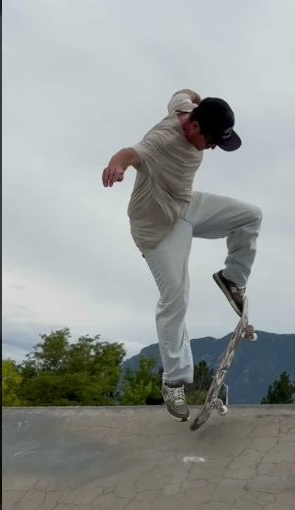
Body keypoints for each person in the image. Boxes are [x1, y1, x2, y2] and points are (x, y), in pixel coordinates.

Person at [102, 89, 262, 421]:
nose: (211, 148)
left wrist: (196, 96)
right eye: (211, 141)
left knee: (250, 216)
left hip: (186, 204)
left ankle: (232, 279)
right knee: (175, 295)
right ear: (194, 127)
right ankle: (173, 380)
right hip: (158, 228)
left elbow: (182, 93)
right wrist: (116, 166)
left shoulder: (186, 109)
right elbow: (130, 153)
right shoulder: (161, 141)